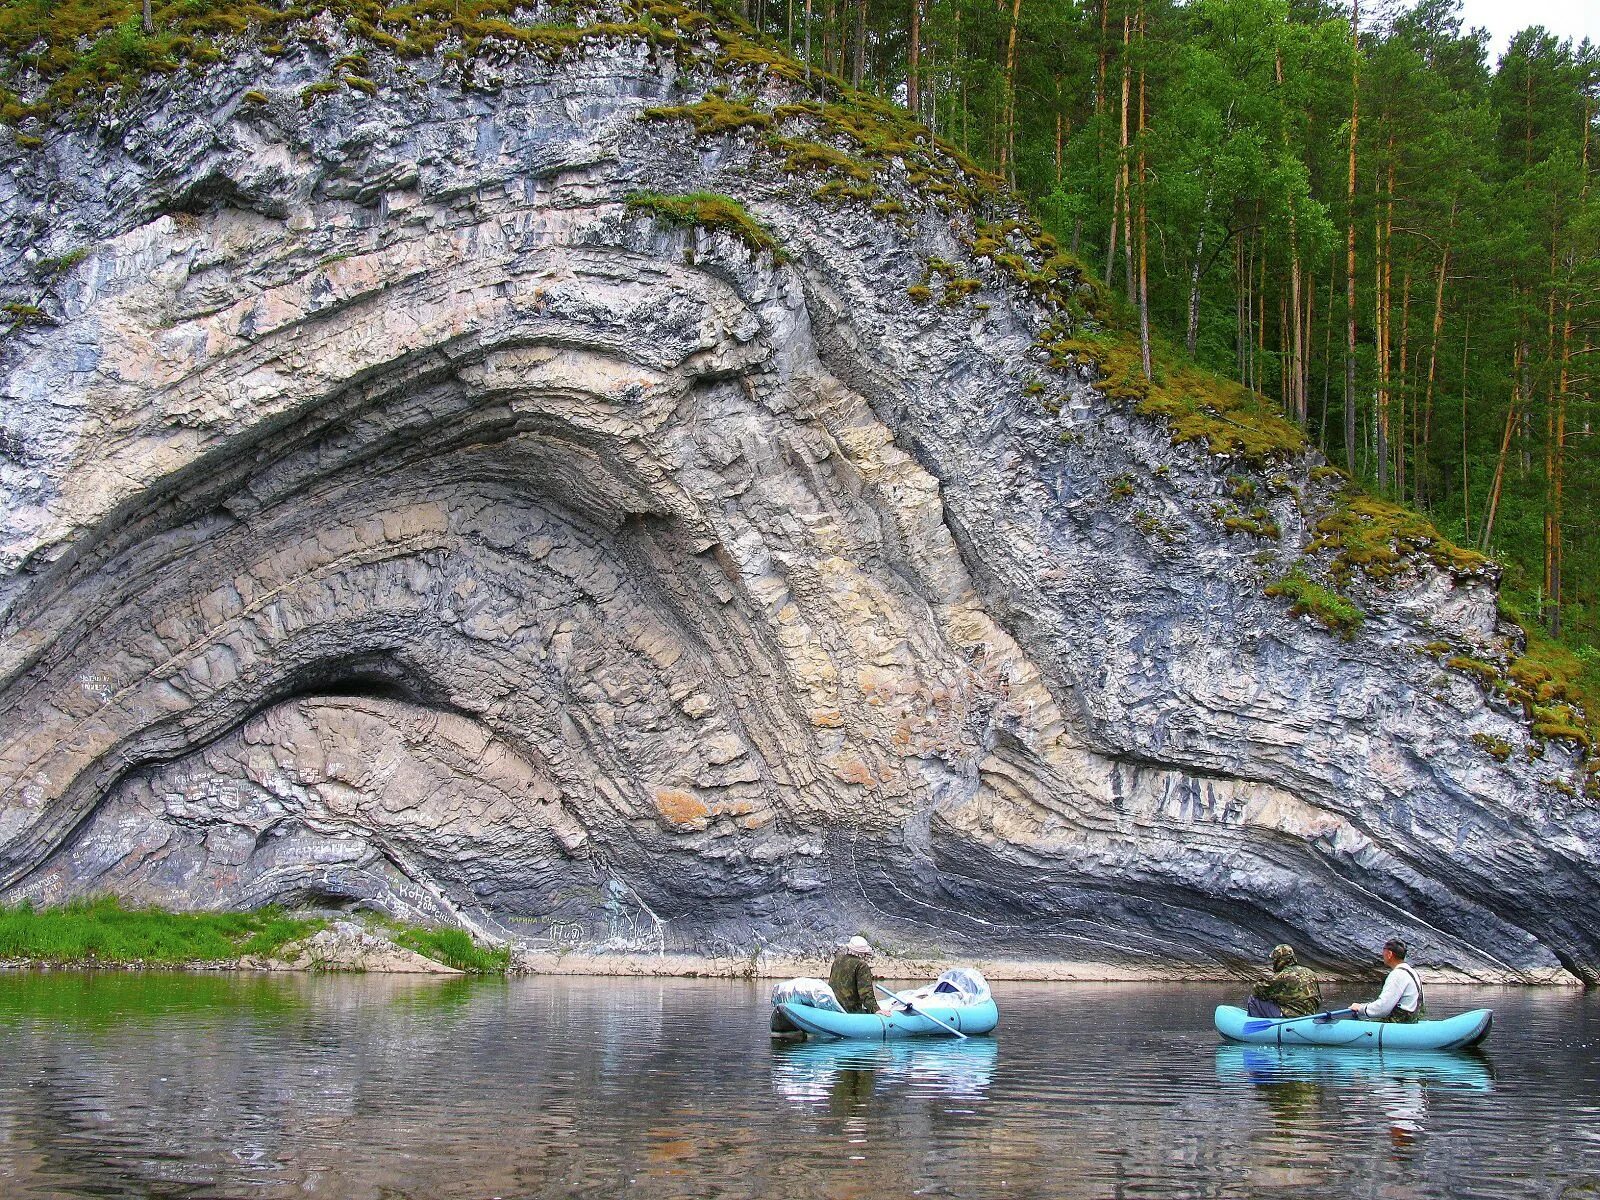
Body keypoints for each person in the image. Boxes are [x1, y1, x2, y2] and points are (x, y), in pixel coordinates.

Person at [1349, 938, 1425, 1024]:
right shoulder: (1412, 972)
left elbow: (1382, 1008)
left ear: (1389, 954)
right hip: (1412, 1021)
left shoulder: (1397, 974)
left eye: (1383, 952)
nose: (1382, 955)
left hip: (1399, 1025)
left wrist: (1361, 1008)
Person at [1245, 943, 1323, 1018]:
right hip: (1310, 1014)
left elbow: (1257, 990)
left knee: (1253, 999)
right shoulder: (1310, 972)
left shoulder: (1282, 976)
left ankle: (1256, 1026)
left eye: (1274, 959)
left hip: (1292, 1016)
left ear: (1278, 960)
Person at [829, 935, 879, 1014]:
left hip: (833, 1006)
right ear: (864, 952)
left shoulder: (838, 960)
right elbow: (865, 993)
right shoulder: (862, 965)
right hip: (851, 1011)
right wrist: (876, 1010)